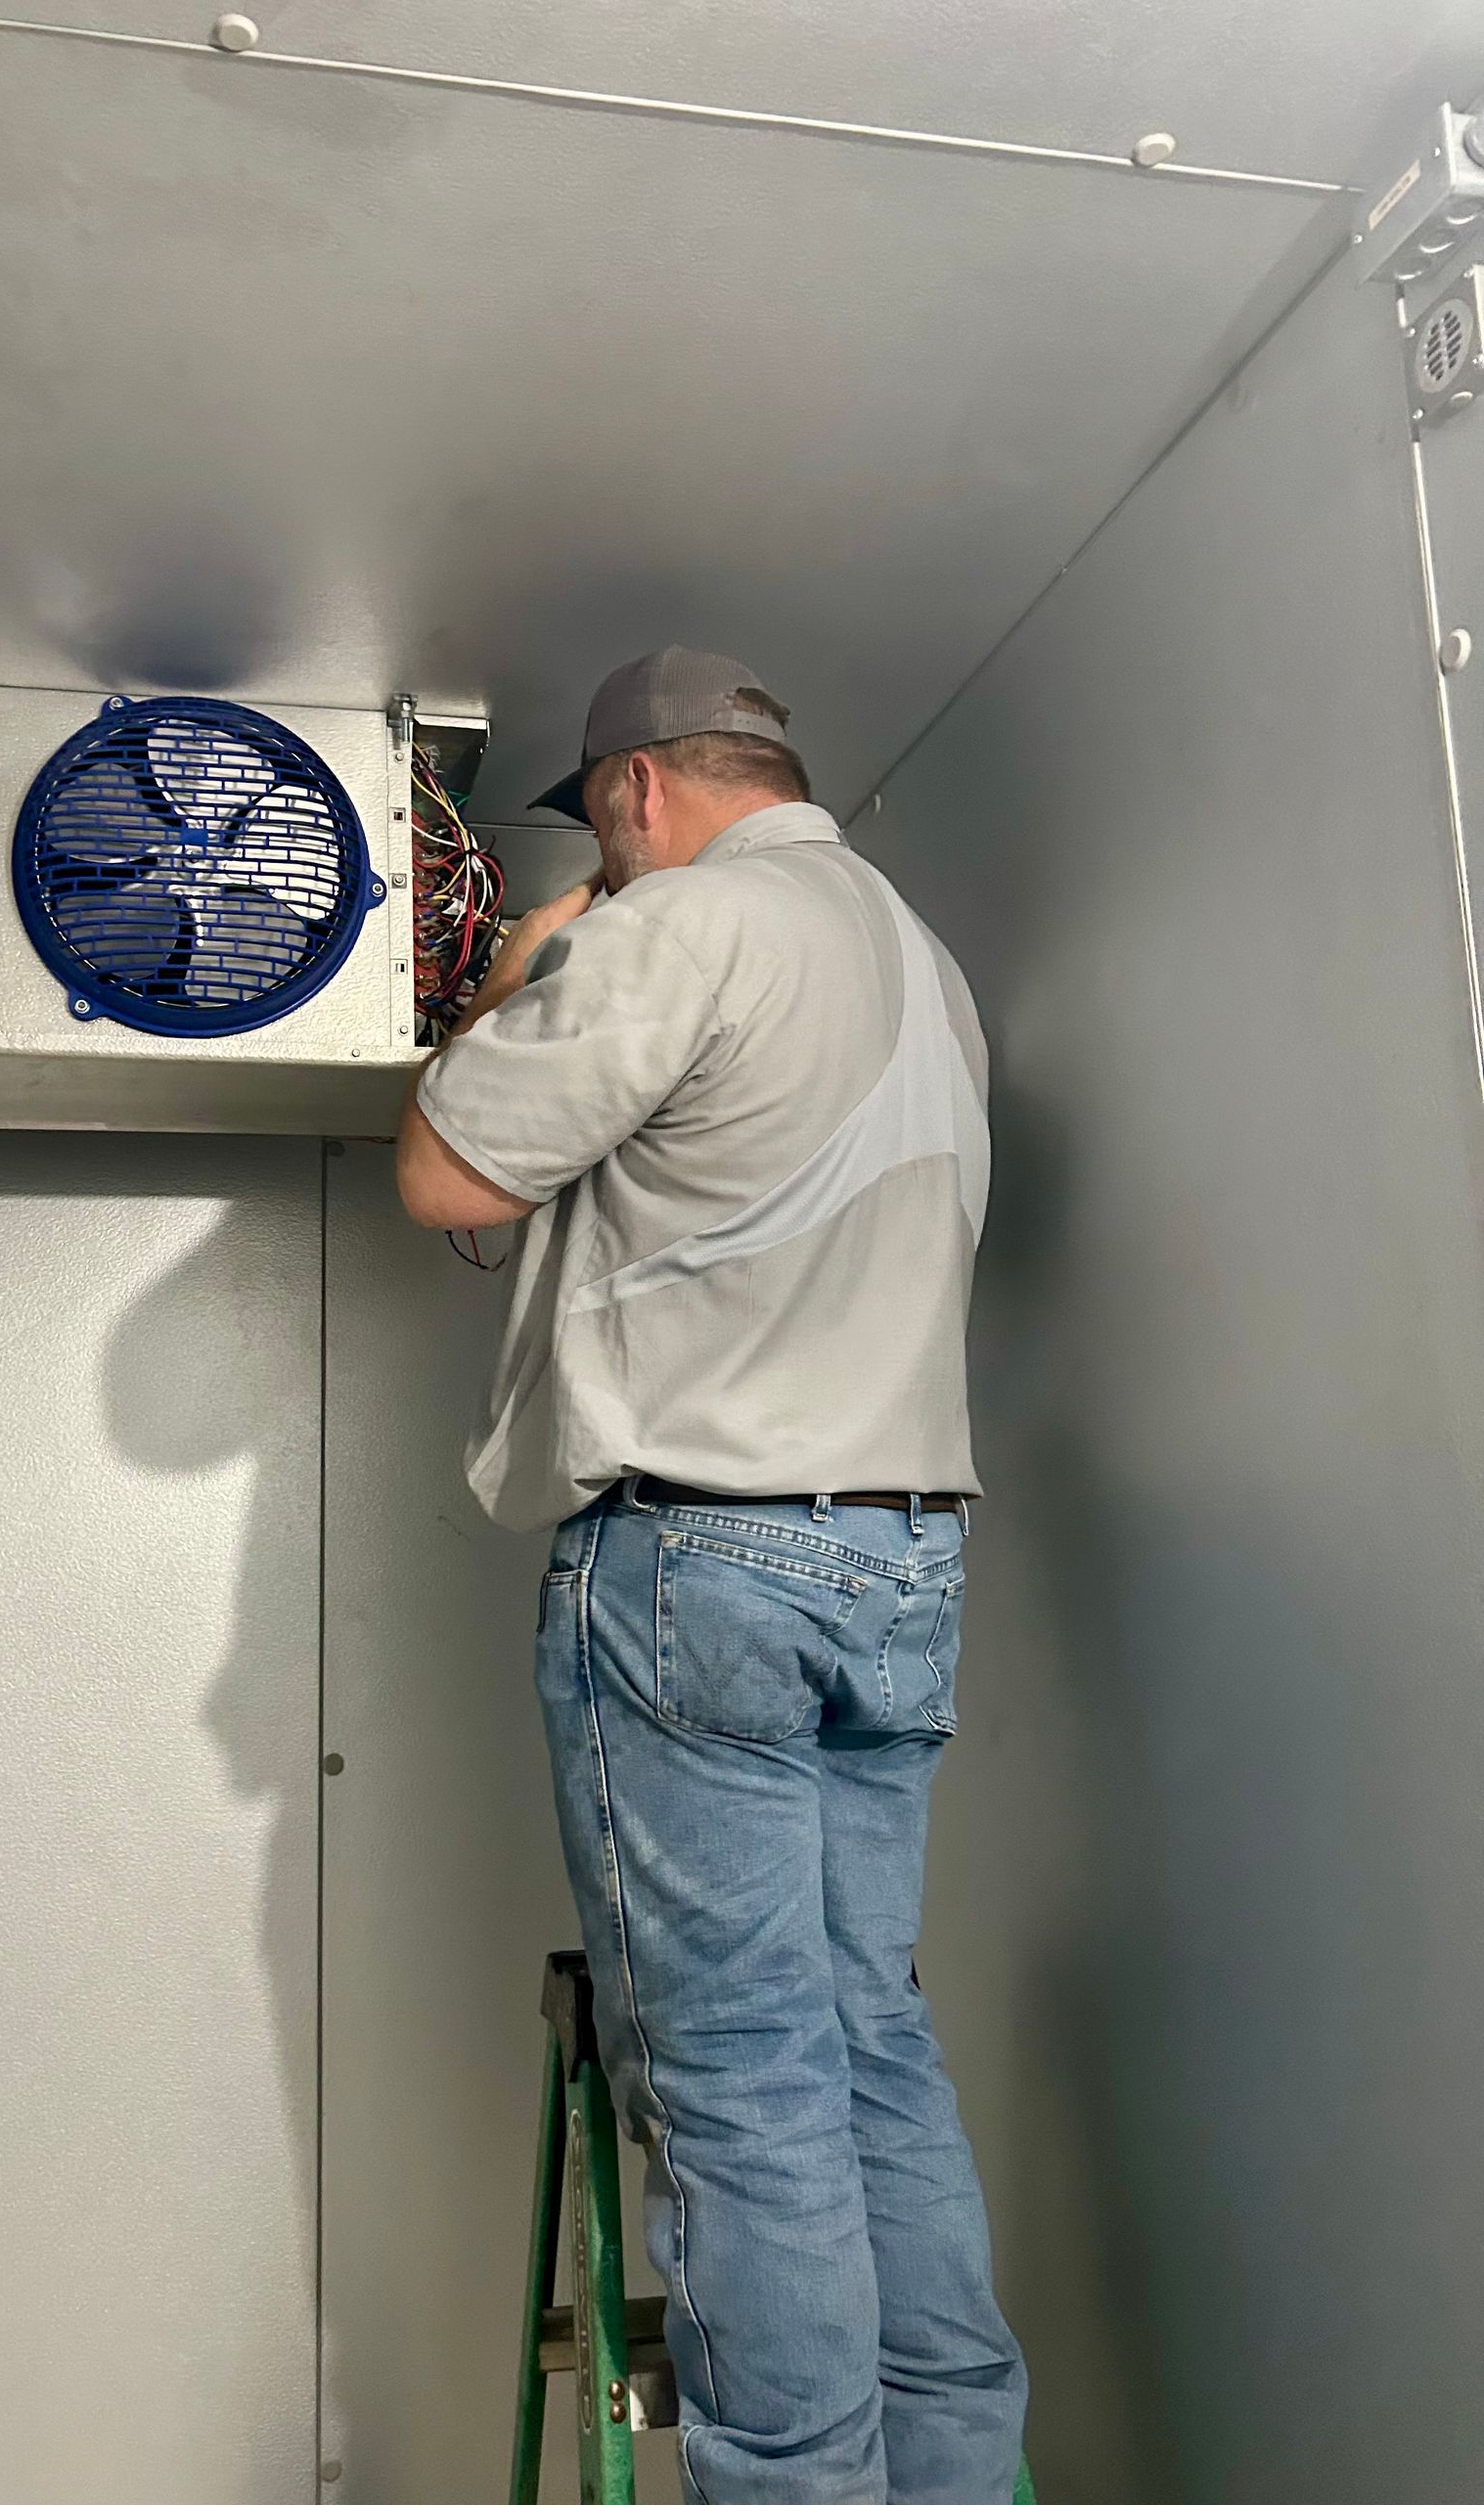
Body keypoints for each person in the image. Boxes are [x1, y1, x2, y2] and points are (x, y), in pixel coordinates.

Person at [395, 647, 1027, 2505]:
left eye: (606, 823)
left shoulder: (681, 933)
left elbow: (449, 1176)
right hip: (903, 1561)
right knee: (870, 2055)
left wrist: (525, 966)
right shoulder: (927, 969)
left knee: (745, 2094)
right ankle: (958, 2479)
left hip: (707, 1566)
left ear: (638, 797)